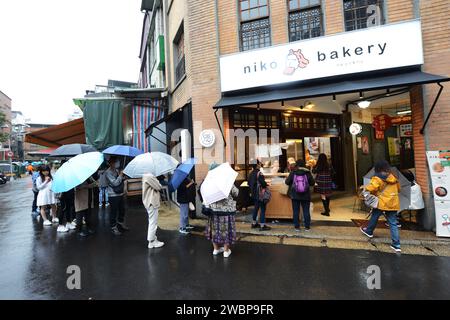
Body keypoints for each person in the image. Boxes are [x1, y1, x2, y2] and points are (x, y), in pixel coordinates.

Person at [360, 160, 402, 253]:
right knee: (393, 223)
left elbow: (372, 187)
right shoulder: (394, 177)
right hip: (393, 203)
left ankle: (369, 231)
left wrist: (364, 187)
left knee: (375, 216)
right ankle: (396, 244)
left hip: (382, 202)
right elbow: (399, 189)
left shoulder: (377, 178)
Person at [204, 163, 238, 258]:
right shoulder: (226, 181)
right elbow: (236, 193)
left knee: (214, 231)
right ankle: (226, 251)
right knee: (226, 230)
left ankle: (216, 249)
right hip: (226, 212)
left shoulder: (207, 182)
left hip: (213, 212)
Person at [285, 160, 315, 231]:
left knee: (296, 211)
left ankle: (297, 227)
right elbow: (312, 183)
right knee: (306, 211)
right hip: (306, 195)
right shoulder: (307, 172)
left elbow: (287, 182)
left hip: (295, 195)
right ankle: (307, 227)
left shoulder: (293, 172)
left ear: (297, 165)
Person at [105, 157, 127, 235]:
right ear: (110, 163)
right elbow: (115, 183)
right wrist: (120, 176)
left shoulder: (116, 170)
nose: (116, 164)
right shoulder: (108, 172)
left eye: (116, 162)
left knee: (122, 210)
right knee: (114, 211)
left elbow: (120, 180)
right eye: (115, 162)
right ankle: (113, 227)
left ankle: (120, 224)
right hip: (113, 195)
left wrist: (123, 176)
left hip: (120, 193)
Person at [142, 173, 164, 249]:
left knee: (152, 222)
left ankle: (153, 240)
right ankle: (151, 242)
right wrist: (157, 181)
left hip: (150, 201)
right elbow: (159, 187)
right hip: (152, 201)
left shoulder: (146, 175)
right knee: (153, 223)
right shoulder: (149, 176)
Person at [248, 161, 271, 231]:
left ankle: (254, 223)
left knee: (256, 208)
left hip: (254, 194)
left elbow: (249, 183)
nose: (260, 164)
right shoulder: (259, 173)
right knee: (263, 209)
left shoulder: (251, 173)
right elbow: (263, 184)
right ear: (257, 165)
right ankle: (262, 225)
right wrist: (266, 184)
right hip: (260, 194)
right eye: (259, 164)